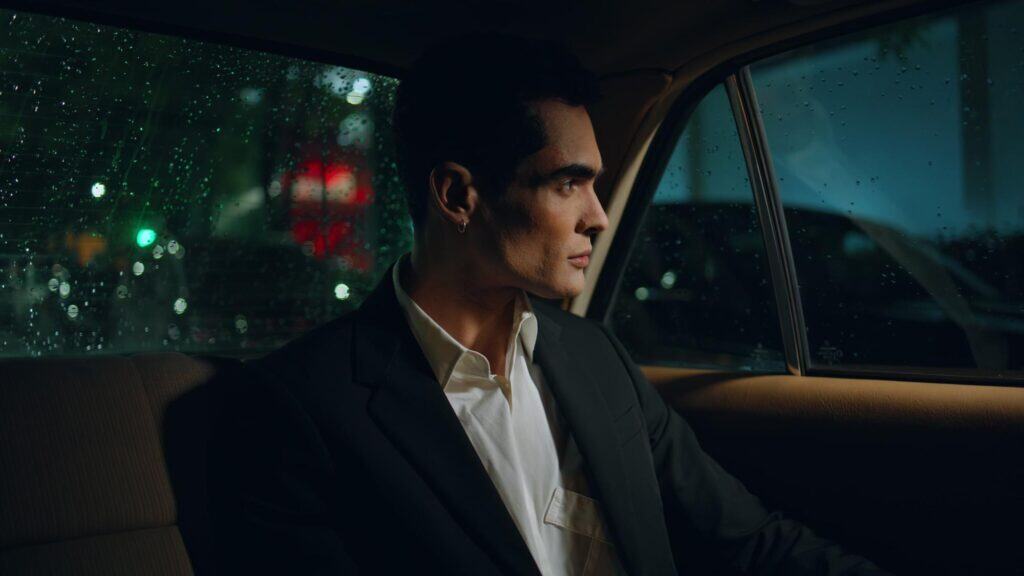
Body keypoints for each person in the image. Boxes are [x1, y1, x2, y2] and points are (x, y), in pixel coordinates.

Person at [208, 34, 891, 575]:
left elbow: (749, 544)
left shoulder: (594, 357)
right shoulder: (299, 410)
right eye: (569, 184)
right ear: (457, 196)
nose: (598, 216)